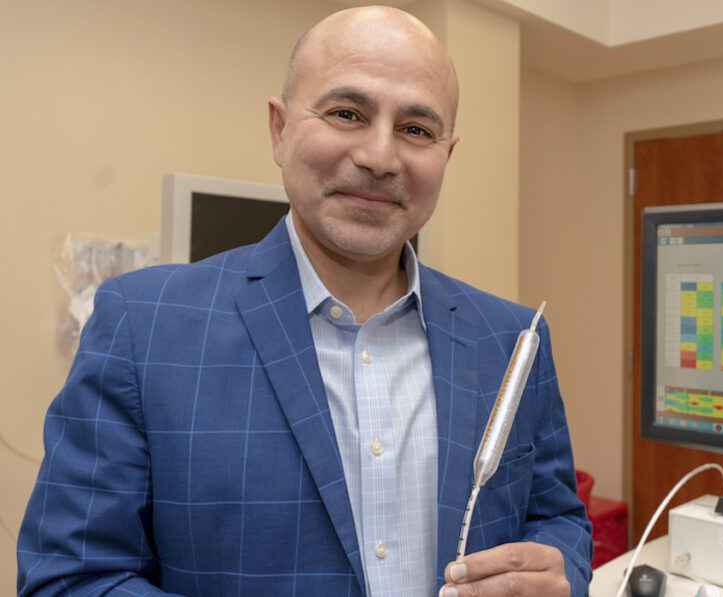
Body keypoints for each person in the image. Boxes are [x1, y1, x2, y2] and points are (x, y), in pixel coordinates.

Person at [17, 6, 592, 596]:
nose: (380, 157)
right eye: (347, 113)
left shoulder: (512, 339)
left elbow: (558, 519)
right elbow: (73, 579)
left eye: (416, 130)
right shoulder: (142, 328)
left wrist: (562, 575)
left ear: (447, 155)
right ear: (280, 129)